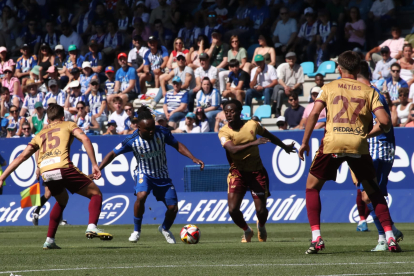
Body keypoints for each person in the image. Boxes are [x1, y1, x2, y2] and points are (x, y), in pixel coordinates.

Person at [298, 50, 401, 254]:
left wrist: (305, 142)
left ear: (339, 68)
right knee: (374, 191)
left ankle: (316, 238)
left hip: (332, 143)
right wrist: (364, 135)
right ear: (358, 68)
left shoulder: (329, 87)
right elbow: (386, 122)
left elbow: (314, 114)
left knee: (312, 188)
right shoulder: (368, 90)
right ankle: (390, 237)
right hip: (357, 145)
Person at [0, 104, 113, 249]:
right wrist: (94, 164)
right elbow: (85, 139)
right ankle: (92, 226)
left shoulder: (40, 133)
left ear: (47, 118)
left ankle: (49, 240)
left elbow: (21, 156)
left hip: (46, 172)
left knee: (62, 200)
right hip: (62, 166)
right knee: (96, 193)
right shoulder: (68, 124)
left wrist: (3, 177)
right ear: (62, 116)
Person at [98, 105, 204, 244]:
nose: (151, 131)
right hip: (144, 173)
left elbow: (177, 145)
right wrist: (99, 168)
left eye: (153, 127)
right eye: (147, 129)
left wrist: (192, 157)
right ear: (139, 128)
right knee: (141, 196)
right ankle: (136, 231)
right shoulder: (132, 140)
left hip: (162, 175)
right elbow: (112, 153)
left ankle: (165, 228)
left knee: (173, 208)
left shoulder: (162, 132)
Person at [218, 99, 295, 242]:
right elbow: (232, 149)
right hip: (237, 172)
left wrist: (284, 147)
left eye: (232, 111)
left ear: (240, 112)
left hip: (256, 171)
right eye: (226, 112)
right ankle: (247, 230)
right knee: (232, 210)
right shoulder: (223, 132)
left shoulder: (252, 124)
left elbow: (270, 136)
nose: (229, 114)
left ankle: (261, 226)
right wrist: (254, 142)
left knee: (261, 210)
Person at [352, 60, 403, 251]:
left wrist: (363, 135)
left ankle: (385, 235)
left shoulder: (372, 94)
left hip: (378, 149)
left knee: (369, 195)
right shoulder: (371, 93)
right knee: (372, 194)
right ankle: (389, 232)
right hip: (377, 148)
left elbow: (385, 123)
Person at [272, 52, 305, 117]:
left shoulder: (299, 67)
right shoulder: (283, 67)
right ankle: (278, 110)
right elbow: (280, 80)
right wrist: (285, 87)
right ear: (286, 60)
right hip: (285, 88)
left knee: (277, 87)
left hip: (295, 89)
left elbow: (300, 82)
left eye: (293, 58)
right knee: (280, 92)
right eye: (289, 59)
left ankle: (274, 103)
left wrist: (292, 88)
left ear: (295, 59)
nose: (291, 60)